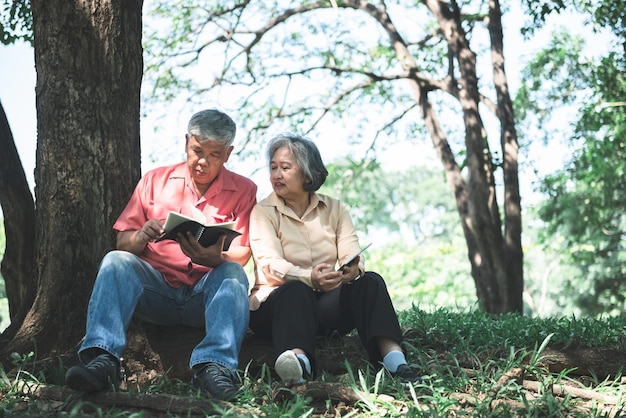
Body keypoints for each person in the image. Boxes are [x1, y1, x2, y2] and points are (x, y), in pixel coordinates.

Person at [65, 109, 257, 401]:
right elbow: (122, 242)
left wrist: (212, 258)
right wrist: (141, 236)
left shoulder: (244, 189)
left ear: (228, 154)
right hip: (156, 291)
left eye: (214, 155)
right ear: (185, 142)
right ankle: (102, 358)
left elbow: (242, 253)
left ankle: (215, 367)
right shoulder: (155, 180)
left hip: (204, 296)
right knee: (116, 261)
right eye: (197, 151)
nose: (203, 161)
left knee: (233, 274)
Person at [248, 132, 420, 386]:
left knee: (370, 281)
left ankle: (396, 362)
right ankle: (297, 364)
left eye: (285, 168)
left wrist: (352, 269)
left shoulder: (335, 208)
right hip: (277, 308)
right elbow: (270, 264)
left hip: (325, 307)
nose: (276, 174)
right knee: (295, 289)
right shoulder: (263, 212)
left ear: (308, 174)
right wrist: (310, 277)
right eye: (273, 167)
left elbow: (351, 251)